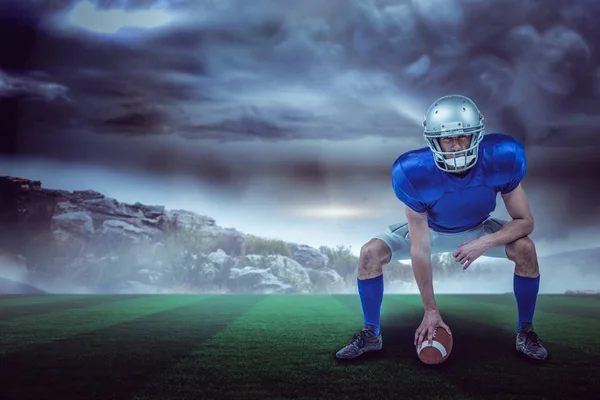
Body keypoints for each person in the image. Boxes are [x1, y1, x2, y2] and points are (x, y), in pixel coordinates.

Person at [335, 94, 548, 361]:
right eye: (448, 138)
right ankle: (371, 333)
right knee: (369, 253)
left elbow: (525, 222)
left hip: (478, 228)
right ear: (434, 140)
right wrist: (430, 309)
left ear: (477, 135)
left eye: (464, 136)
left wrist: (483, 242)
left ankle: (525, 331)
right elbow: (420, 248)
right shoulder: (413, 172)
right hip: (431, 230)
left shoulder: (502, 157)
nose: (457, 146)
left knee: (526, 249)